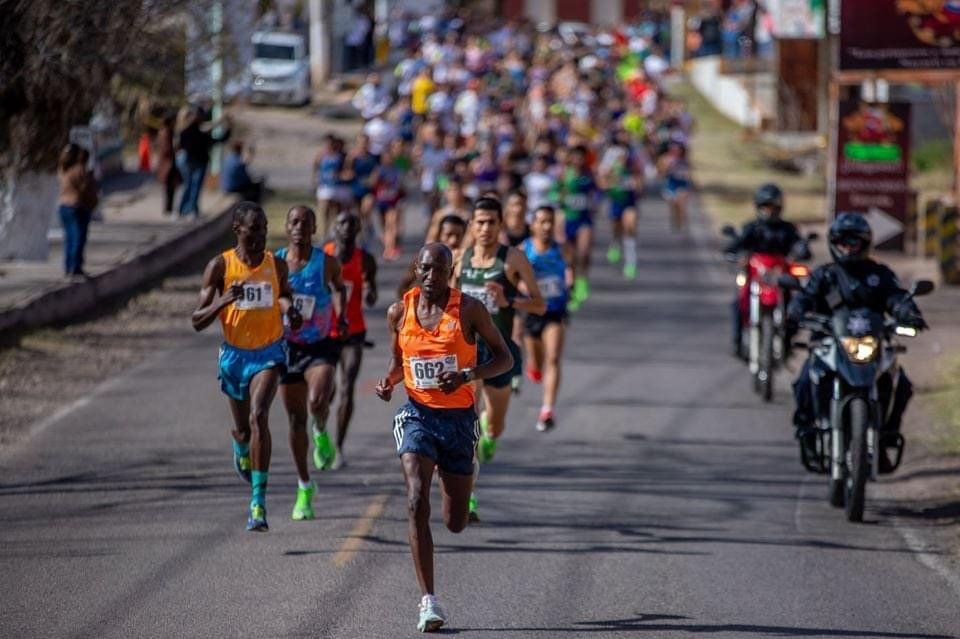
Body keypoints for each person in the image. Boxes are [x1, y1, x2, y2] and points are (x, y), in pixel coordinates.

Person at [375, 242, 513, 633]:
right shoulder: (399, 311)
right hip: (417, 415)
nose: (431, 276)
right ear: (416, 269)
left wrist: (468, 375)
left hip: (458, 422)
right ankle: (429, 601)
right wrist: (389, 382)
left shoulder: (469, 310)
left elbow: (504, 358)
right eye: (425, 268)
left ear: (450, 273)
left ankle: (466, 475)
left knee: (455, 522)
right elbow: (399, 363)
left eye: (440, 270)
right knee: (416, 498)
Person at [191, 201, 302, 531]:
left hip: (269, 353)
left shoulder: (275, 264)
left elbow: (284, 295)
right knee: (242, 428)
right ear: (237, 229)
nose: (260, 236)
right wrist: (224, 300)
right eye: (253, 229)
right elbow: (197, 320)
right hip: (234, 356)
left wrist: (290, 309)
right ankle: (241, 446)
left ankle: (258, 502)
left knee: (259, 415)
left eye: (264, 229)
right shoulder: (220, 266)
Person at [788, 213, 926, 467]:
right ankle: (808, 434)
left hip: (872, 346)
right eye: (843, 242)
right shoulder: (824, 275)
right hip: (829, 345)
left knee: (902, 384)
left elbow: (897, 298)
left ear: (865, 244)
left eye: (854, 242)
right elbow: (804, 297)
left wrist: (909, 314)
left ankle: (885, 436)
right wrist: (796, 312)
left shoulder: (880, 274)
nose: (848, 248)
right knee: (805, 381)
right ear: (833, 244)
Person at [454, 197, 545, 519]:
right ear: (471, 225)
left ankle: (491, 434)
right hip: (468, 354)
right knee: (467, 425)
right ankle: (469, 496)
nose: (485, 228)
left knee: (494, 424)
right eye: (480, 222)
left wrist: (510, 301)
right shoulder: (461, 259)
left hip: (500, 354)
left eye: (491, 222)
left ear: (500, 225)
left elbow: (540, 304)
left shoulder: (513, 259)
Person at [276, 206, 348, 520]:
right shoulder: (277, 262)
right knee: (295, 421)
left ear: (314, 228)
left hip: (320, 345)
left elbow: (339, 288)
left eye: (305, 223)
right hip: (287, 348)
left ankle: (320, 429)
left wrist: (341, 316)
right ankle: (305, 486)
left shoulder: (326, 262)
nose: (299, 227)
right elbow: (273, 294)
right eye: (294, 222)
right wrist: (285, 307)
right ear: (286, 227)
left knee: (318, 399)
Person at [723, 183, 810, 357]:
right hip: (756, 277)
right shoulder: (751, 228)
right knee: (738, 303)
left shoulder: (788, 229)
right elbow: (735, 246)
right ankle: (737, 342)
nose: (769, 211)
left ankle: (787, 342)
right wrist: (735, 254)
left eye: (772, 207)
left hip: (780, 279)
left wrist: (801, 250)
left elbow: (800, 246)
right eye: (765, 206)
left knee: (797, 306)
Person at [323, 211, 378, 468]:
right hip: (325, 331)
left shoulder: (365, 259)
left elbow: (372, 295)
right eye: (342, 222)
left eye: (351, 224)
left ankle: (339, 448)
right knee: (326, 391)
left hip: (354, 331)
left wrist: (369, 294)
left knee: (347, 387)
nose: (346, 227)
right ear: (334, 228)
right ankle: (321, 431)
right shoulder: (323, 256)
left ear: (358, 230)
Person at [522, 206, 573, 432]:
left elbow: (570, 270)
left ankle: (547, 410)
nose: (546, 226)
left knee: (553, 358)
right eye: (541, 222)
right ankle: (533, 366)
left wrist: (569, 282)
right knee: (536, 363)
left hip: (554, 312)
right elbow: (514, 278)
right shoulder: (523, 250)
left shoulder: (563, 249)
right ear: (533, 225)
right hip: (532, 313)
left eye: (550, 222)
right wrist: (526, 288)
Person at [553, 145, 597, 311]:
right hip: (568, 220)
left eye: (581, 157)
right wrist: (560, 198)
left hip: (584, 220)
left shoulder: (589, 175)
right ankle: (571, 290)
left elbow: (597, 192)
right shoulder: (564, 174)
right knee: (569, 259)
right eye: (576, 157)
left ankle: (582, 280)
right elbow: (553, 193)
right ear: (571, 158)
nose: (578, 160)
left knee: (583, 252)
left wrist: (594, 202)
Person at [598, 132, 640, 280]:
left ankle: (631, 262)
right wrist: (610, 182)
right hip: (616, 200)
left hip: (630, 201)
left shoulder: (634, 154)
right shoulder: (611, 154)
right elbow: (602, 178)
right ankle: (615, 243)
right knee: (617, 226)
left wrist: (637, 185)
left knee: (630, 227)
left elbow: (640, 177)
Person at [178, 107, 231, 217]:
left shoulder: (195, 132)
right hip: (195, 162)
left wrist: (227, 126)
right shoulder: (192, 131)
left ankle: (188, 210)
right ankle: (187, 210)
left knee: (191, 186)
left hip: (195, 162)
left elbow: (218, 138)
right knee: (192, 186)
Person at [397, 215, 467, 298]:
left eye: (458, 236)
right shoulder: (425, 258)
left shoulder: (468, 261)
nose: (453, 241)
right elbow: (404, 290)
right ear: (439, 235)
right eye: (448, 235)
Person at [57, 143, 99, 279]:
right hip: (77, 207)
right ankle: (75, 267)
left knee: (69, 238)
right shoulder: (80, 170)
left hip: (64, 206)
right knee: (78, 238)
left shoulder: (63, 169)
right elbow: (86, 189)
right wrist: (93, 203)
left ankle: (69, 267)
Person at [155, 113, 181, 215]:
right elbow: (166, 149)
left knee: (170, 187)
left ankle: (169, 207)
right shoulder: (166, 133)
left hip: (167, 163)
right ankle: (168, 208)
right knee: (169, 187)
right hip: (167, 164)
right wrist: (176, 149)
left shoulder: (166, 132)